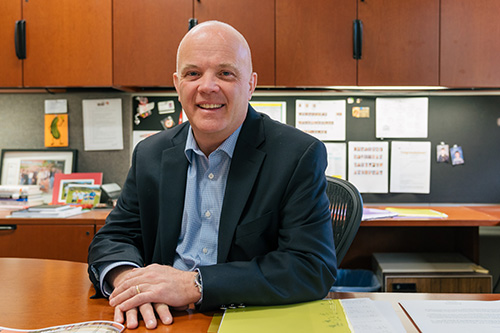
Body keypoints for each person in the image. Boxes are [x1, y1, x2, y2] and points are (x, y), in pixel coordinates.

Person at [87, 20, 336, 329]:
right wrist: (132, 284)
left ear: (250, 84)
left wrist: (194, 284)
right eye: (193, 74)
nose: (207, 86)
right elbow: (113, 238)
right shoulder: (150, 154)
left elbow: (311, 267)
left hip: (244, 318)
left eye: (225, 73)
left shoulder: (297, 155)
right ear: (178, 84)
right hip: (161, 319)